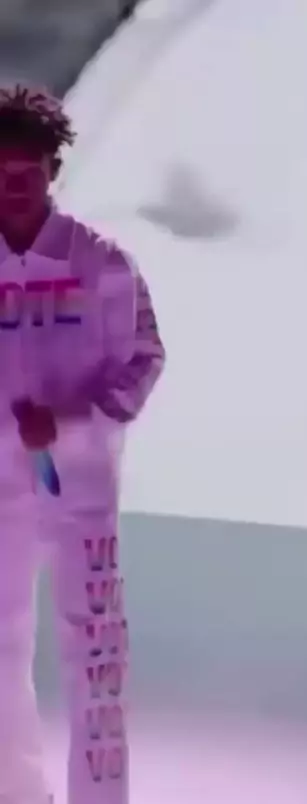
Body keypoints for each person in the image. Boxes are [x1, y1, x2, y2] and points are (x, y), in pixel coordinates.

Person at [0, 83, 166, 804]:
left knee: (95, 653)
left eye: (27, 174)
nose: (13, 189)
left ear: (53, 171)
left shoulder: (103, 264)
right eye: (0, 175)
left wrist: (74, 423)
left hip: (81, 491)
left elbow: (144, 360)